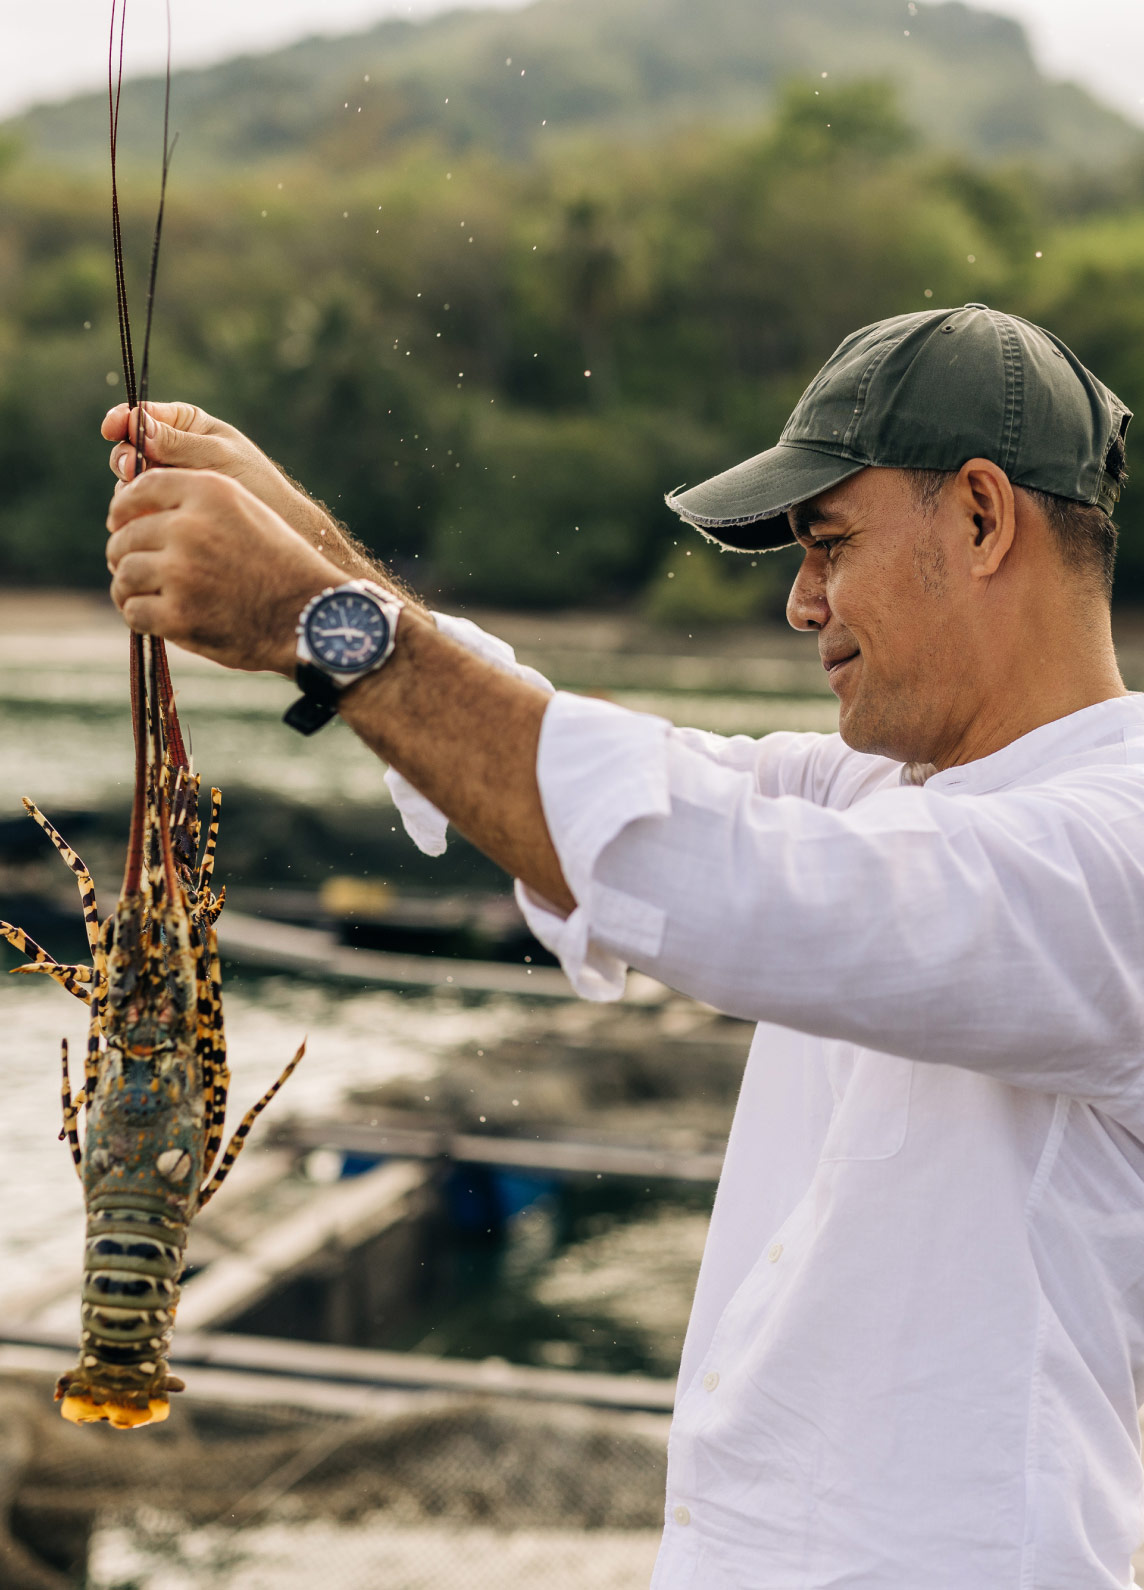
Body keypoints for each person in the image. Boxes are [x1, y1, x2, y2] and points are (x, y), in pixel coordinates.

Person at [103, 303, 1144, 1588]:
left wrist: (316, 621)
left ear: (983, 519)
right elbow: (583, 764)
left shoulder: (1115, 852)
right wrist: (312, 549)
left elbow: (720, 878)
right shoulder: (890, 792)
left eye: (826, 543)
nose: (798, 601)